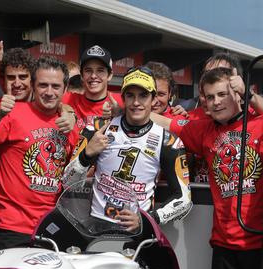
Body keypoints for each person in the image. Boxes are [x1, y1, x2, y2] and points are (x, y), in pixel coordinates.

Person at [169, 68, 263, 269]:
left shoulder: (262, 125)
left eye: (223, 94)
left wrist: (252, 96)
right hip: (225, 246)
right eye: (209, 97)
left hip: (262, 246)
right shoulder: (203, 130)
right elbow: (163, 124)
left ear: (237, 94)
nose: (215, 102)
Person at [64, 66, 192, 229]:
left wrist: (147, 220)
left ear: (153, 100)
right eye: (130, 95)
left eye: (143, 95)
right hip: (95, 228)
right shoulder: (96, 128)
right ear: (123, 97)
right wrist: (86, 155)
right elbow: (67, 183)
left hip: (137, 235)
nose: (136, 102)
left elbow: (184, 199)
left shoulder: (169, 142)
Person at [0, 56, 79, 248]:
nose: (48, 92)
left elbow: (75, 175)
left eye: (55, 86)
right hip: (13, 227)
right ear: (33, 86)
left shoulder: (69, 123)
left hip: (53, 225)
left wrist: (71, 115)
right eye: (43, 85)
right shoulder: (13, 113)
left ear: (64, 88)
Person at [63, 45, 124, 131]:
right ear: (81, 75)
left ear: (110, 75)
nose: (93, 76)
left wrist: (122, 113)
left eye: (100, 70)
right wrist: (68, 110)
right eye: (88, 70)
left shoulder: (121, 101)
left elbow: (148, 116)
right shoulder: (69, 99)